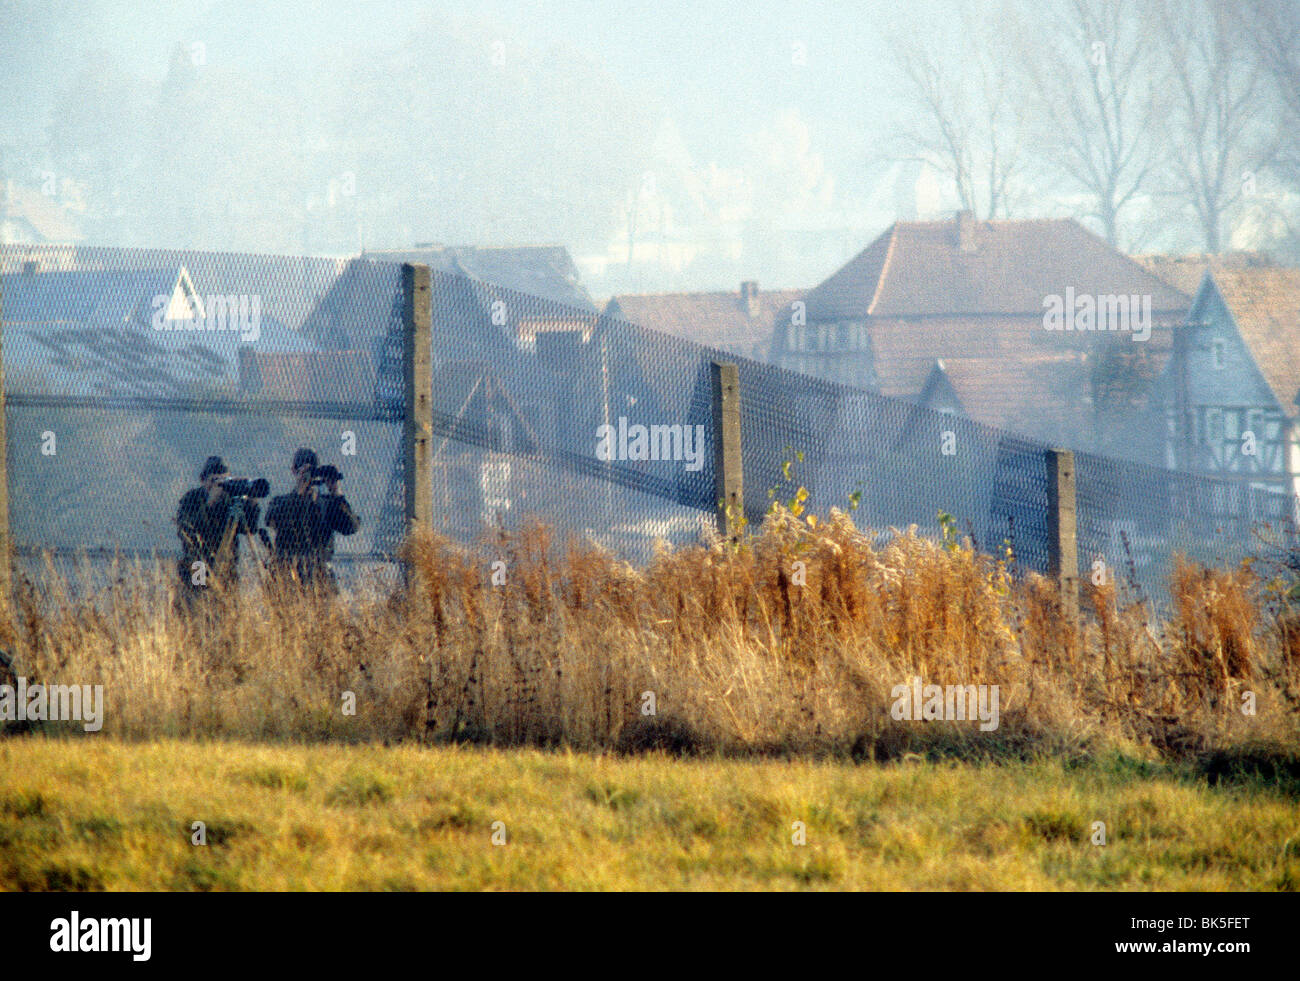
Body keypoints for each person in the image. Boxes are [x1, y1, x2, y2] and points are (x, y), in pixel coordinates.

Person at [264, 448, 359, 591]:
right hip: (287, 574)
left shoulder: (328, 504)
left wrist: (336, 492)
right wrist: (299, 492)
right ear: (294, 472)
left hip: (319, 574)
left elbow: (350, 527)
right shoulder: (280, 502)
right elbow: (273, 520)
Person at [176, 455, 261, 600]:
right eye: (214, 481)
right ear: (203, 480)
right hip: (198, 562)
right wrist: (210, 502)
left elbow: (250, 528)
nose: (218, 486)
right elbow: (189, 530)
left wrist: (252, 501)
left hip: (226, 567)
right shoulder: (191, 499)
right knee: (200, 601)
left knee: (227, 606)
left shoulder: (230, 501)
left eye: (223, 481)